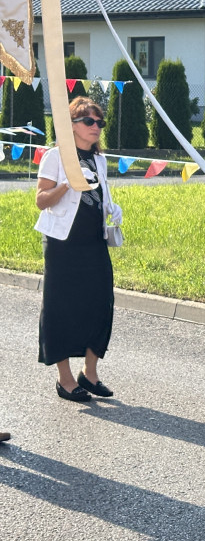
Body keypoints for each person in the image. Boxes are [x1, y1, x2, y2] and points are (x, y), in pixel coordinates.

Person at [35, 97, 122, 403]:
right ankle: (66, 379)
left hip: (93, 242)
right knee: (62, 307)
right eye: (89, 122)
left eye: (100, 122)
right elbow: (41, 200)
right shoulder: (56, 157)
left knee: (100, 304)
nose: (96, 127)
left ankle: (90, 373)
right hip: (62, 244)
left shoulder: (99, 160)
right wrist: (67, 185)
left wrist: (111, 207)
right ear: (70, 125)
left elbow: (100, 193)